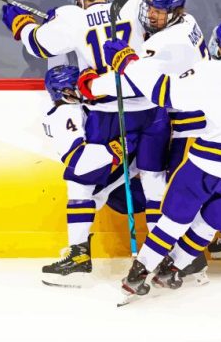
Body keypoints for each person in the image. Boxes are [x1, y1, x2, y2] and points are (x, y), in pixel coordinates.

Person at [95, 9, 221, 299]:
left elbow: (163, 93)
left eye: (218, 44)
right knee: (207, 226)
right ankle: (173, 269)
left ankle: (137, 275)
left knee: (172, 222)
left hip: (207, 166)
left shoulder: (210, 74)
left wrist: (127, 62)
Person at [2, 0, 172, 237]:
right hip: (151, 107)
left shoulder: (72, 17)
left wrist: (21, 24)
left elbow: (37, 45)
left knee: (82, 182)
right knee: (154, 182)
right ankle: (161, 256)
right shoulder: (129, 2)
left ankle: (79, 252)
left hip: (107, 112)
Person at [41, 65, 145, 287]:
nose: (82, 90)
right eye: (74, 87)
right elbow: (79, 161)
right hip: (116, 166)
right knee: (79, 184)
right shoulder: (65, 114)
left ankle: (78, 252)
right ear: (63, 92)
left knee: (85, 190)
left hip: (118, 167)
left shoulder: (75, 109)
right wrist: (117, 149)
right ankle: (78, 253)